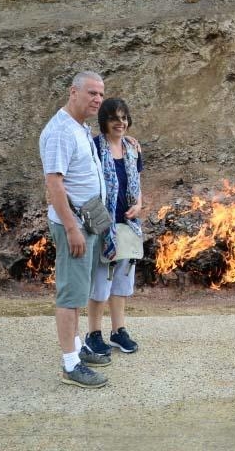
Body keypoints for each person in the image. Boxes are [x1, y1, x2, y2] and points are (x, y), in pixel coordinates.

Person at [39, 71, 111, 389]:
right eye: (92, 93)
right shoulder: (59, 132)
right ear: (73, 92)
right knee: (70, 295)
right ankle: (70, 364)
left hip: (88, 222)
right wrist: (71, 229)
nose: (97, 99)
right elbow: (53, 183)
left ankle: (78, 347)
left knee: (78, 290)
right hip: (75, 226)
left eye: (101, 94)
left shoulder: (80, 127)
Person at [83, 98, 145, 358]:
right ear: (104, 122)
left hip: (127, 223)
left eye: (124, 117)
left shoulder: (132, 149)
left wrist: (139, 205)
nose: (120, 123)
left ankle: (118, 330)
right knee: (100, 280)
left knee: (121, 279)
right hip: (102, 225)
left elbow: (137, 182)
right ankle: (93, 334)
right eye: (114, 118)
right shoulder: (95, 147)